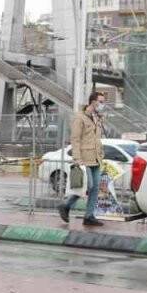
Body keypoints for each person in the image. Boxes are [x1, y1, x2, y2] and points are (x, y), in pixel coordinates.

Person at [59, 91, 106, 227]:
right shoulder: (80, 118)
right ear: (93, 102)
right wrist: (77, 158)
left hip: (96, 158)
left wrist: (101, 154)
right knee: (87, 186)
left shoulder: (96, 117)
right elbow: (75, 139)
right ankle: (66, 206)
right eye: (100, 102)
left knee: (95, 188)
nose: (102, 105)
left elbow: (96, 139)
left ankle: (89, 216)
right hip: (84, 158)